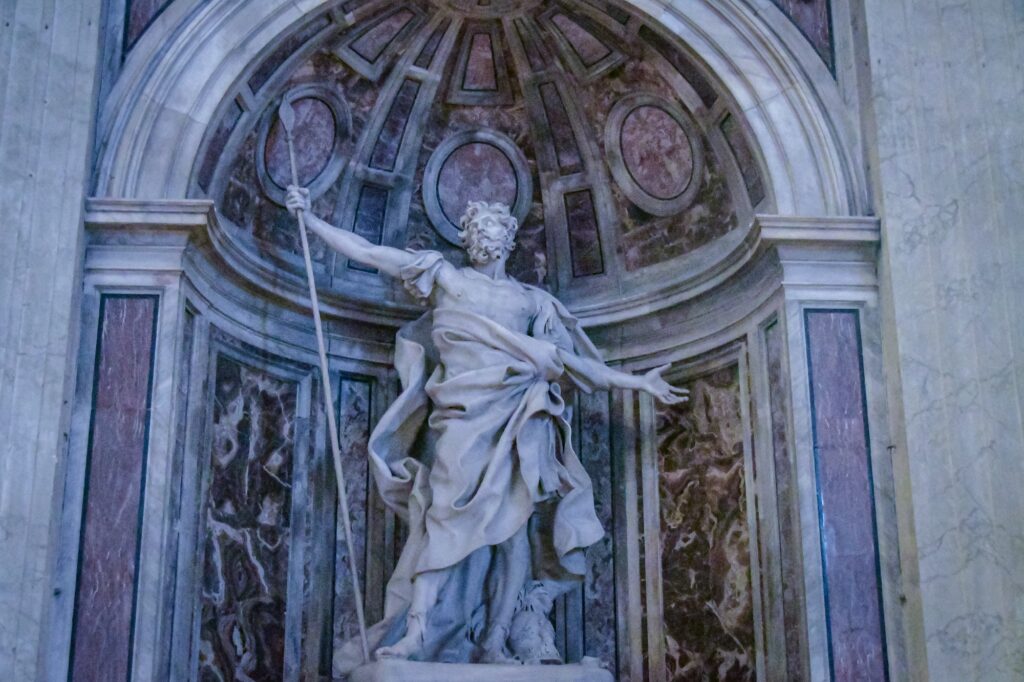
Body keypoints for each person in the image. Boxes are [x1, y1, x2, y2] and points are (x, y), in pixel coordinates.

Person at [285, 187, 688, 670]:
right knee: (443, 516)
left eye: (491, 229)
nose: (483, 237)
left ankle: (495, 639)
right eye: (475, 230)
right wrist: (311, 222)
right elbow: (373, 254)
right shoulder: (447, 279)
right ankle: (416, 631)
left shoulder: (531, 302)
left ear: (509, 238)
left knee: (513, 536)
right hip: (462, 418)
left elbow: (574, 364)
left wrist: (638, 382)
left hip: (519, 420)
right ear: (466, 239)